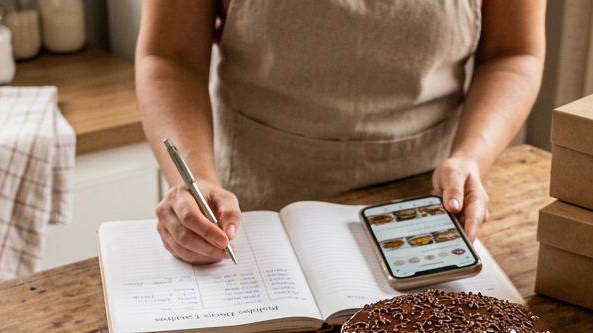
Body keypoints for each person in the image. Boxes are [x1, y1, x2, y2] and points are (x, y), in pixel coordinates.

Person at [136, 0, 546, 264]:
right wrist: (195, 179)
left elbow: (514, 52)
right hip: (250, 209)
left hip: (429, 206)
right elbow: (169, 55)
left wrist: (470, 156)